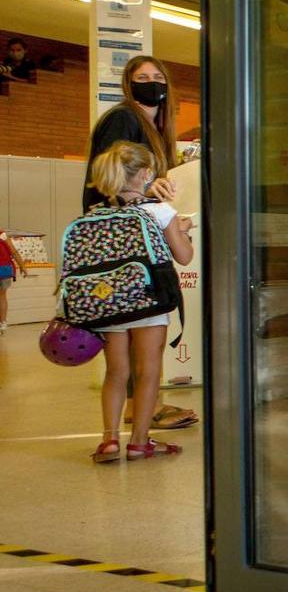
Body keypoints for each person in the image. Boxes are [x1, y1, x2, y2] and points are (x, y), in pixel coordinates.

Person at [83, 55, 197, 430]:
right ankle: (143, 414)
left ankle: (130, 419)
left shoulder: (152, 127)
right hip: (128, 247)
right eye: (142, 77)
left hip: (126, 243)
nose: (151, 83)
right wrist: (149, 193)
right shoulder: (124, 119)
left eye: (157, 76)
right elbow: (109, 177)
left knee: (124, 342)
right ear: (128, 84)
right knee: (143, 336)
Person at [84, 142, 195, 464]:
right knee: (148, 373)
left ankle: (109, 441)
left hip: (109, 304)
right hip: (149, 304)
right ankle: (139, 442)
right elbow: (184, 256)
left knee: (116, 373)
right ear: (146, 174)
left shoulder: (96, 214)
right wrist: (183, 231)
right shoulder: (160, 211)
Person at [0, 228, 29, 334]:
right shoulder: (2, 235)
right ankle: (2, 323)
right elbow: (14, 252)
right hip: (4, 270)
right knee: (2, 296)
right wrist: (22, 266)